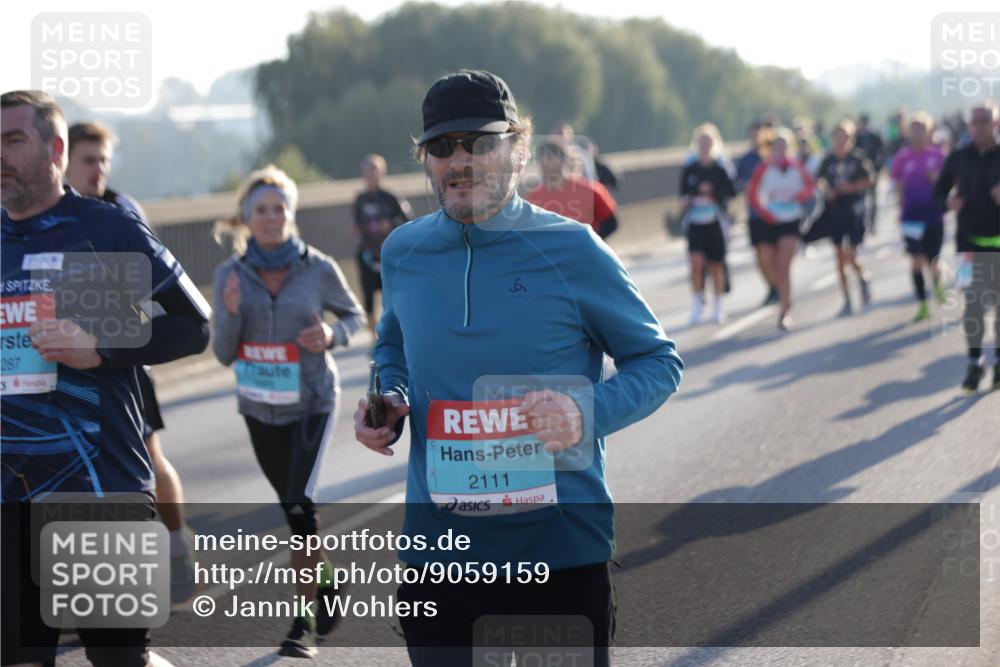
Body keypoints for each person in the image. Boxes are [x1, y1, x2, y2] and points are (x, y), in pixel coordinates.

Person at [353, 69, 683, 667]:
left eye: (481, 143)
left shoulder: (573, 249)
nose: (461, 160)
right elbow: (391, 348)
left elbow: (658, 362)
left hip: (555, 552)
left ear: (518, 149)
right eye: (442, 147)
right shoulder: (403, 251)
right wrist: (389, 398)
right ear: (425, 160)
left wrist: (583, 412)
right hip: (439, 554)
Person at [2, 90, 210, 667]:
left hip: (98, 486)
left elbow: (194, 326)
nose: (0, 155)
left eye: (13, 140)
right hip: (10, 488)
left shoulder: (106, 229)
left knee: (120, 661)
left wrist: (104, 347)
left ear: (55, 149)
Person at [211, 164, 366, 657]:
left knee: (300, 507)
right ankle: (327, 582)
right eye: (262, 209)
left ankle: (304, 624)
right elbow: (222, 353)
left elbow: (354, 314)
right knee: (295, 512)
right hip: (259, 409)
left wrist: (331, 335)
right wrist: (232, 312)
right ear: (246, 217)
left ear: (291, 214)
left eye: (280, 208)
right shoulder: (228, 276)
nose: (272, 217)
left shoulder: (317, 268)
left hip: (313, 402)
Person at [64, 120, 196, 603]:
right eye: (88, 160)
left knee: (149, 459)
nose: (98, 169)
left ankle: (177, 547)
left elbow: (160, 282)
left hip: (121, 360)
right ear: (63, 160)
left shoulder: (121, 211)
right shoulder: (41, 219)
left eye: (103, 160)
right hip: (61, 369)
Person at [933, 100, 1000, 393]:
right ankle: (975, 362)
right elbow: (938, 191)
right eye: (976, 121)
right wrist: (948, 202)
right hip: (967, 247)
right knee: (972, 307)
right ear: (969, 126)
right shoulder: (959, 157)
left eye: (986, 120)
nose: (980, 126)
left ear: (995, 124)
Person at [748, 127, 815, 330]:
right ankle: (778, 292)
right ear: (771, 148)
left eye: (783, 146)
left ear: (789, 147)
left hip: (790, 220)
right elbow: (752, 194)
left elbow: (810, 187)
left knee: (783, 267)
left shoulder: (797, 167)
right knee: (766, 262)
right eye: (776, 146)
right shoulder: (763, 168)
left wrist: (800, 196)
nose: (780, 150)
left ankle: (784, 311)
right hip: (769, 220)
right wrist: (764, 212)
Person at [889, 112, 947, 322]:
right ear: (908, 132)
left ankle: (938, 284)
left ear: (929, 131)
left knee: (934, 260)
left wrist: (936, 181)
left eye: (922, 129)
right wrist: (899, 210)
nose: (918, 133)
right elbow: (897, 186)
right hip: (911, 217)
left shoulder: (938, 156)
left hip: (934, 215)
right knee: (916, 261)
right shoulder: (902, 158)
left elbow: (949, 185)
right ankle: (923, 304)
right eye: (914, 129)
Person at [815, 120, 875, 317]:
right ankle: (847, 300)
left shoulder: (857, 159)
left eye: (845, 137)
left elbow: (869, 180)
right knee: (839, 258)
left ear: (851, 139)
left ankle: (863, 277)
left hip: (854, 210)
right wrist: (827, 190)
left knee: (851, 256)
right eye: (837, 137)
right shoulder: (828, 160)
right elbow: (819, 180)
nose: (841, 141)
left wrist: (850, 188)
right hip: (835, 211)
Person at [679, 123, 736, 324]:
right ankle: (697, 302)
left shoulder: (720, 168)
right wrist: (689, 198)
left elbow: (731, 192)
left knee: (715, 264)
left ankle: (718, 305)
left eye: (708, 142)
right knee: (695, 263)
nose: (704, 146)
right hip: (695, 221)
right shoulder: (690, 168)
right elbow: (682, 195)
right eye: (701, 142)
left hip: (715, 221)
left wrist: (712, 191)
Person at [353, 153, 412, 339]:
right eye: (368, 171)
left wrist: (390, 224)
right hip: (368, 256)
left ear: (382, 173)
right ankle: (374, 340)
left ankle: (396, 336)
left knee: (393, 299)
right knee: (368, 300)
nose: (372, 175)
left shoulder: (391, 198)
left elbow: (408, 222)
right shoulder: (360, 200)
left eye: (375, 171)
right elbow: (356, 225)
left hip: (389, 257)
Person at [525, 138, 620, 239]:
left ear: (563, 159)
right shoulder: (532, 199)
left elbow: (612, 223)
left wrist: (590, 242)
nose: (544, 163)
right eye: (541, 159)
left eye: (549, 158)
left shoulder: (591, 190)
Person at [735, 120, 778, 305]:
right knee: (760, 257)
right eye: (752, 134)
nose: (755, 138)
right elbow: (735, 184)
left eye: (758, 133)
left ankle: (780, 288)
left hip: (774, 213)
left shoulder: (771, 157)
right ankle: (772, 286)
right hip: (754, 213)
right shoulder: (745, 160)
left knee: (771, 254)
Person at [854, 113, 885, 229]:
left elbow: (881, 153)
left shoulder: (873, 136)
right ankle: (864, 222)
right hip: (860, 174)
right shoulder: (856, 136)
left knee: (872, 198)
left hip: (872, 172)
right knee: (863, 198)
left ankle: (872, 221)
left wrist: (876, 169)